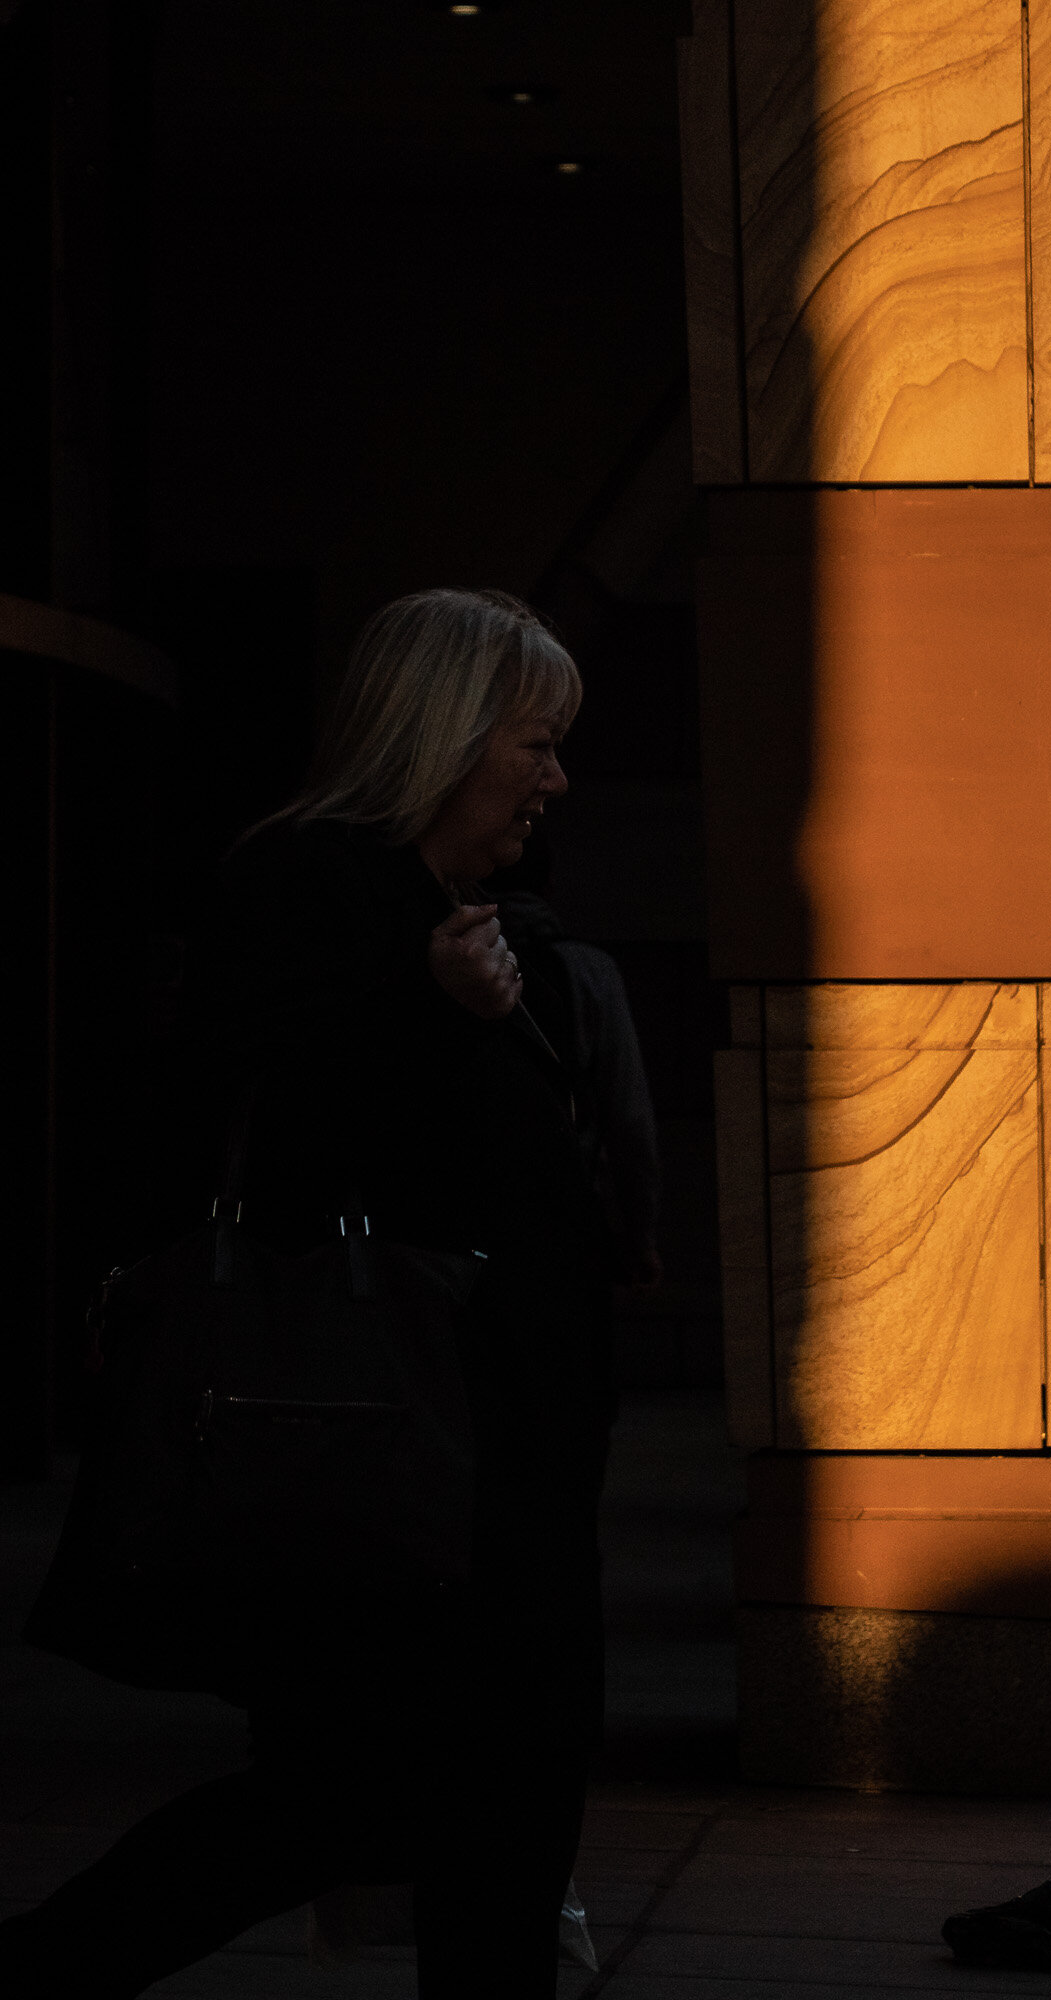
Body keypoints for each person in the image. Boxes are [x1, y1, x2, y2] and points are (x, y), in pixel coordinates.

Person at [1, 588, 614, 1997]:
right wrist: (426, 1010)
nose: (556, 777)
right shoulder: (306, 893)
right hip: (370, 1462)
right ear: (451, 736)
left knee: (488, 1819)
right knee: (362, 1801)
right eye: (537, 741)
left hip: (486, 1471)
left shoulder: (482, 919)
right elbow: (240, 1133)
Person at [495, 836, 663, 1287]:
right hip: (572, 1212)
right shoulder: (591, 972)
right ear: (549, 885)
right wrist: (640, 1237)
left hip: (484, 1218)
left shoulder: (450, 962)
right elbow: (628, 1117)